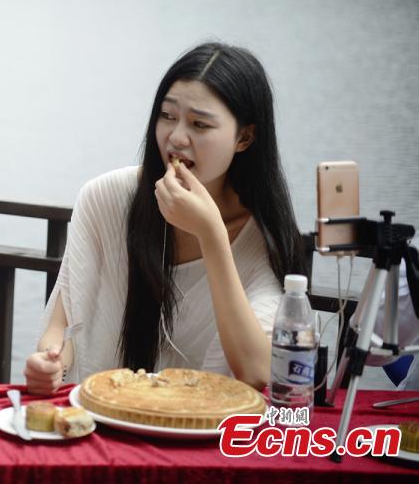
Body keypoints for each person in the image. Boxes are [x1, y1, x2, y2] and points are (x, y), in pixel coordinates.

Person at [25, 42, 305, 394]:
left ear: (244, 138)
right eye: (167, 116)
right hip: (104, 416)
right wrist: (50, 360)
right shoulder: (106, 197)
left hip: (201, 435)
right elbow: (64, 323)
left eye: (200, 124)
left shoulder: (262, 237)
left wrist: (211, 235)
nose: (175, 137)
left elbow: (256, 369)